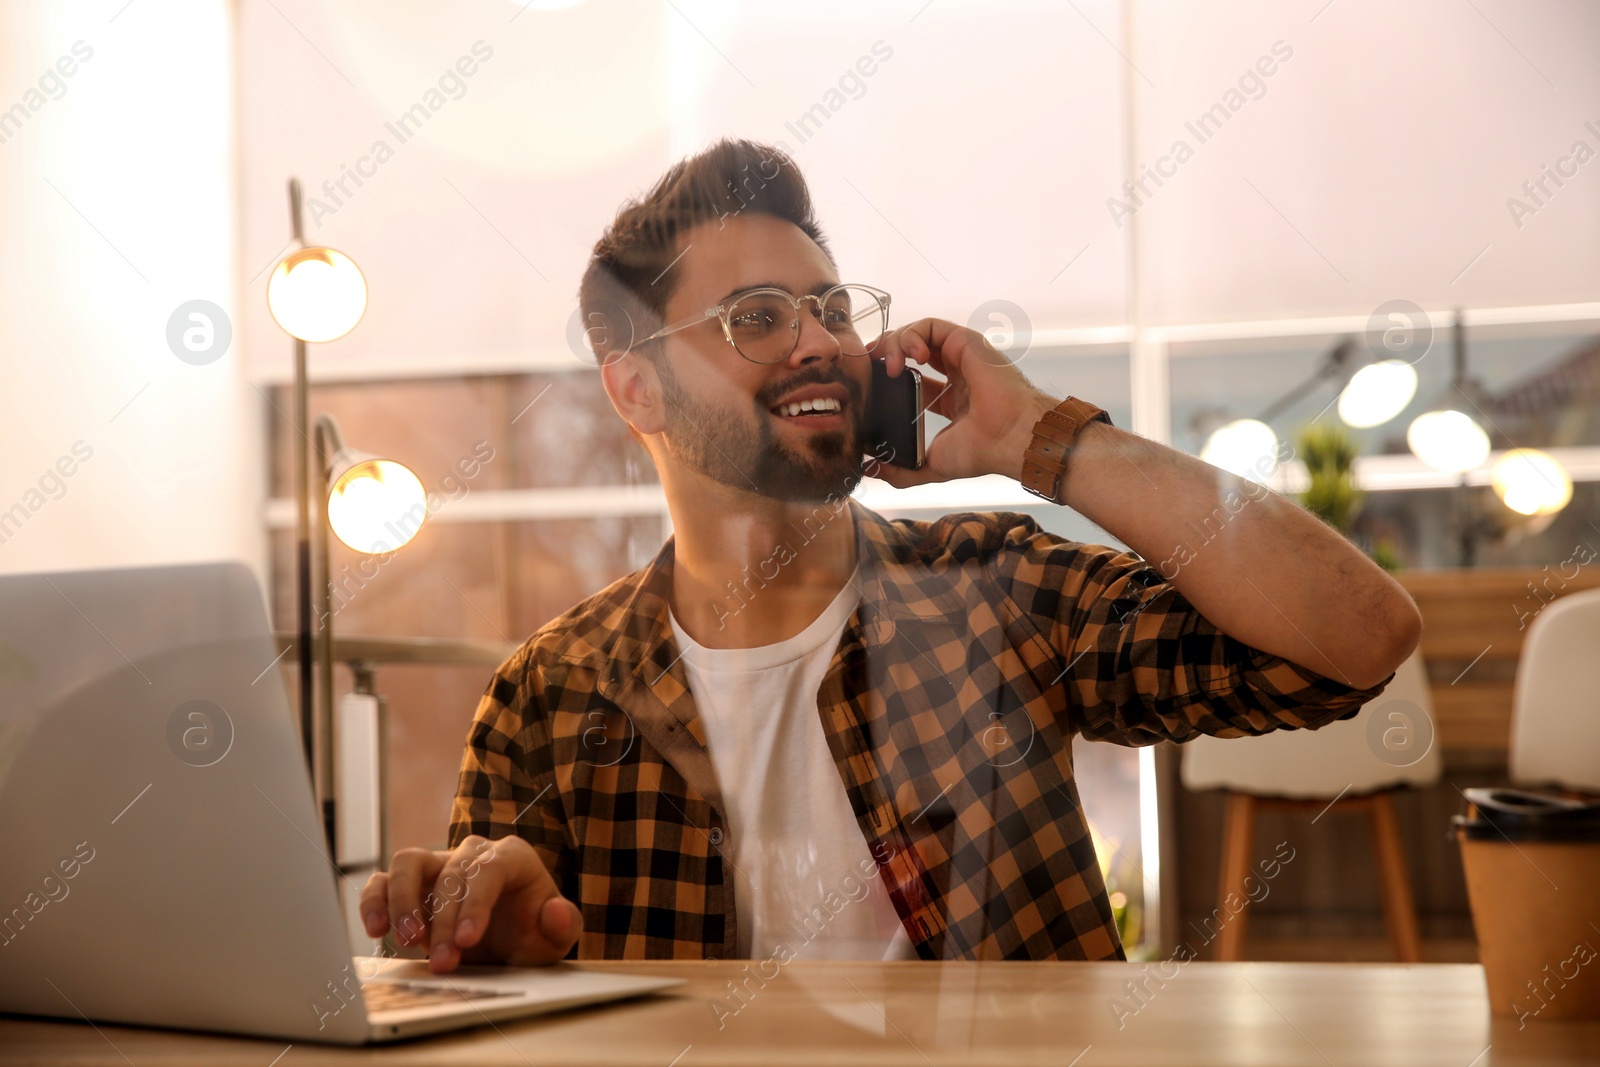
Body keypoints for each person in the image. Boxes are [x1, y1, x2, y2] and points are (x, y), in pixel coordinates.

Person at [359, 138, 1421, 971]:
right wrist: (502, 936)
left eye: (829, 308)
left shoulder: (994, 588)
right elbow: (500, 967)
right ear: (635, 389)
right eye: (757, 317)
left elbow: (1354, 639)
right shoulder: (549, 693)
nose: (819, 341)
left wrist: (1039, 439)